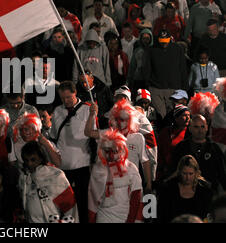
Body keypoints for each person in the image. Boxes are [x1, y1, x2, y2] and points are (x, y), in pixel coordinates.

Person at [86, 99, 153, 194]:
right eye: (117, 119)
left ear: (130, 120)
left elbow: (145, 161)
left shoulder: (138, 138)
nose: (120, 123)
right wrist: (92, 115)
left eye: (123, 119)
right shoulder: (109, 134)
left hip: (132, 183)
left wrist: (149, 184)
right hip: (113, 184)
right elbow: (88, 132)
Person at [50, 81, 92, 223]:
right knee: (63, 203)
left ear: (75, 93)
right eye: (62, 98)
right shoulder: (57, 111)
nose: (65, 101)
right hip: (62, 167)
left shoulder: (88, 110)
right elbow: (54, 136)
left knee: (82, 202)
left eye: (68, 97)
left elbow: (93, 136)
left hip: (82, 165)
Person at [88, 129, 143, 223]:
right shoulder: (98, 169)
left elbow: (136, 197)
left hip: (124, 216)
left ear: (121, 149)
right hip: (103, 216)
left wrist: (130, 221)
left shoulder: (130, 168)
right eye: (107, 151)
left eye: (114, 151)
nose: (110, 155)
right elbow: (92, 200)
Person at [18, 141, 79, 223]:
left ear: (41, 158)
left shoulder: (56, 176)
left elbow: (70, 208)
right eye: (26, 160)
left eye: (33, 160)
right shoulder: (24, 177)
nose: (29, 163)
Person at [170, 114, 226, 194]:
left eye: (202, 126)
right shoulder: (181, 148)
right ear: (190, 128)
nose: (200, 130)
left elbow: (223, 175)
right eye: (196, 127)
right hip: (185, 195)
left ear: (207, 128)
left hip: (209, 196)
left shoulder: (214, 149)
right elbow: (173, 171)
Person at [144, 30, 188, 119]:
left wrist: (184, 87)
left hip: (174, 88)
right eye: (162, 41)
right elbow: (147, 69)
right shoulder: (151, 50)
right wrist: (148, 86)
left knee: (173, 116)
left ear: (170, 39)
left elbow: (183, 69)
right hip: (156, 89)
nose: (164, 44)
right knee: (161, 116)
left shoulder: (177, 49)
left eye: (166, 41)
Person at [157, 155, 213, 223]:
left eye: (190, 174)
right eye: (184, 173)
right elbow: (161, 214)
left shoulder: (203, 190)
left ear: (196, 173)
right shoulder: (169, 188)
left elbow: (208, 215)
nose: (187, 177)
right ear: (179, 172)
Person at [156, 104, 191, 182]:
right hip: (165, 171)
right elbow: (159, 151)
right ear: (176, 118)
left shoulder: (190, 133)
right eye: (184, 115)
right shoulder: (165, 132)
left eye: (189, 115)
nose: (188, 118)